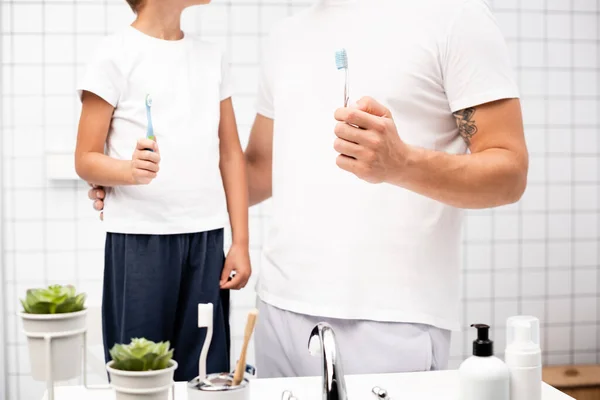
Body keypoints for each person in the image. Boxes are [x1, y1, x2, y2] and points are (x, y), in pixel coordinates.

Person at [89, 0, 528, 377]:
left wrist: (402, 163)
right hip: (278, 314)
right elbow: (257, 170)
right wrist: (137, 182)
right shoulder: (286, 36)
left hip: (392, 321)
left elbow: (509, 174)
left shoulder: (454, 15)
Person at [75, 0, 251, 381]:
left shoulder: (210, 58)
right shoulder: (114, 54)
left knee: (206, 372)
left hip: (206, 242)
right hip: (140, 242)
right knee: (140, 376)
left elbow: (231, 155)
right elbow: (85, 158)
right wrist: (129, 170)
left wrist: (240, 242)